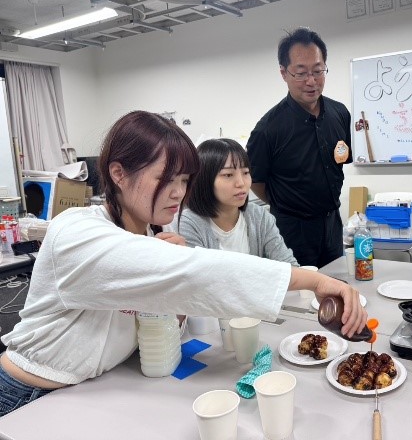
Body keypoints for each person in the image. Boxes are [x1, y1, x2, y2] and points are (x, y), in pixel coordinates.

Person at [0, 111, 366, 416]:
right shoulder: (77, 232)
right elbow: (197, 271)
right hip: (29, 395)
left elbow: (156, 327)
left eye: (184, 180)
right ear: (118, 173)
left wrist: (171, 300)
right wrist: (314, 281)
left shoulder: (153, 237)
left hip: (96, 388)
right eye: (165, 179)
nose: (178, 192)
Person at [246, 27, 352, 268]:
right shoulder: (267, 129)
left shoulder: (340, 113)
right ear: (284, 73)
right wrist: (286, 202)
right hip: (292, 230)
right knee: (301, 289)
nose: (311, 81)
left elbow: (341, 159)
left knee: (336, 282)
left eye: (318, 71)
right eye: (301, 73)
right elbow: (255, 181)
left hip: (332, 223)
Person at [177, 138, 298, 265]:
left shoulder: (258, 215)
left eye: (245, 172)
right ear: (204, 179)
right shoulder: (188, 223)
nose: (241, 183)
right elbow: (201, 275)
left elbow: (287, 264)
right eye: (228, 175)